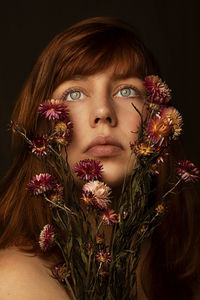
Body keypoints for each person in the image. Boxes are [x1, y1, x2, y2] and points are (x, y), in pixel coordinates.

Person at [0, 16, 200, 300]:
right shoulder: (14, 282)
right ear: (44, 127)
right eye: (75, 93)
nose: (103, 111)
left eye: (126, 91)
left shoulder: (182, 269)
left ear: (158, 119)